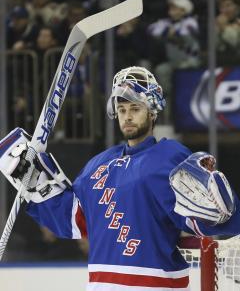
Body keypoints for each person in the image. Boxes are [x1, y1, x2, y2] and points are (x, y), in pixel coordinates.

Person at [0, 66, 239, 291]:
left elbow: (201, 217)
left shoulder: (170, 157)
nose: (127, 117)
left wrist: (218, 214)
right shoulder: (99, 164)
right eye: (122, 110)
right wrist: (34, 181)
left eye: (135, 109)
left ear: (152, 112)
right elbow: (73, 220)